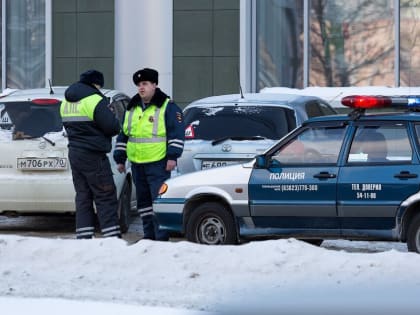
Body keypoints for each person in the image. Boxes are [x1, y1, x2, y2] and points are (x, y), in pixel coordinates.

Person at [113, 68, 185, 241]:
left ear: (154, 85)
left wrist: (172, 157)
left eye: (145, 84)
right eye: (138, 84)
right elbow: (124, 135)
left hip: (158, 163)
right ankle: (149, 237)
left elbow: (176, 133)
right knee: (144, 204)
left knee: (158, 203)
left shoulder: (168, 106)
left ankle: (161, 239)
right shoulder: (132, 108)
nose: (141, 88)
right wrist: (120, 159)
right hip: (137, 164)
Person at [60, 69, 122, 239]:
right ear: (95, 84)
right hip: (94, 155)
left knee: (83, 197)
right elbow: (112, 127)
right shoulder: (95, 100)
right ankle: (112, 240)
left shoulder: (66, 101)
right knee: (105, 195)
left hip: (75, 153)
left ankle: (84, 239)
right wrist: (114, 117)